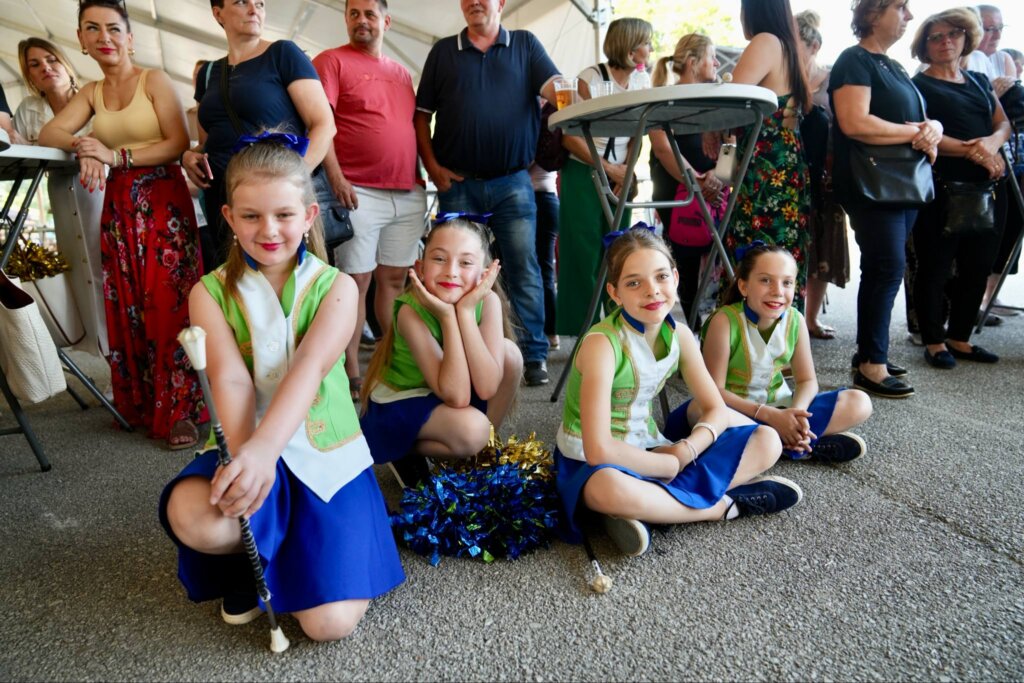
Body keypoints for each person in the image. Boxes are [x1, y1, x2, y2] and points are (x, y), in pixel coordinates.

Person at [159, 134, 404, 641]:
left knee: (329, 625)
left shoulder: (337, 287)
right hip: (247, 439)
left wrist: (265, 453)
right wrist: (243, 462)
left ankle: (301, 554)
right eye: (251, 216)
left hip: (324, 453)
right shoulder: (207, 292)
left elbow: (308, 369)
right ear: (228, 217)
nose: (268, 230)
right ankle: (252, 562)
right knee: (197, 518)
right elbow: (230, 379)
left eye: (284, 215)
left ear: (309, 216)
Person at [554, 226, 803, 557]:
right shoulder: (603, 343)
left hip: (653, 447)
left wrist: (686, 450)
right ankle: (721, 506)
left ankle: (652, 510)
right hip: (594, 460)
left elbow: (715, 408)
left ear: (675, 277)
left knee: (768, 440)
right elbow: (598, 449)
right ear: (614, 293)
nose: (652, 291)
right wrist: (667, 466)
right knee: (608, 489)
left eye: (661, 277)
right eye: (634, 283)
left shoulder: (681, 335)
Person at [39, 0, 206, 448]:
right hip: (119, 207)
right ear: (81, 39)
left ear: (130, 38)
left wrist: (116, 155)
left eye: (113, 28)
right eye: (92, 28)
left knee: (170, 304)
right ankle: (144, 402)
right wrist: (86, 146)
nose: (104, 37)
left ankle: (182, 411)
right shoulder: (91, 92)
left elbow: (178, 142)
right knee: (128, 303)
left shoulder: (154, 80)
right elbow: (48, 133)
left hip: (163, 201)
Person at [414, 0, 561, 387]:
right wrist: (432, 168)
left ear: (501, 3)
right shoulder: (443, 51)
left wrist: (575, 94)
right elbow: (420, 116)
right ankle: (457, 349)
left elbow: (557, 89)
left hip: (513, 182)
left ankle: (532, 355)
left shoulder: (525, 45)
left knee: (523, 268)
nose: (475, 2)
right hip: (457, 184)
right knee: (454, 271)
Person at [312, 0, 426, 400]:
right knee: (355, 282)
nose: (361, 20)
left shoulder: (402, 73)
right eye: (354, 13)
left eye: (370, 14)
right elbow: (320, 124)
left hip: (407, 190)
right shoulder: (331, 61)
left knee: (394, 281)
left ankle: (394, 362)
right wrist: (335, 177)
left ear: (386, 21)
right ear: (346, 19)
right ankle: (352, 370)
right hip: (357, 190)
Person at [829, 0, 942, 399]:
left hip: (899, 182)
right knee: (887, 266)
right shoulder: (854, 60)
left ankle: (870, 352)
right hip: (873, 182)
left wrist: (932, 126)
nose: (909, 16)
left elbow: (918, 119)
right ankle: (871, 365)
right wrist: (917, 132)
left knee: (884, 269)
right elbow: (855, 122)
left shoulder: (892, 65)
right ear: (874, 14)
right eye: (901, 7)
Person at [360, 216, 522, 488]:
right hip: (402, 402)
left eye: (465, 262)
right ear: (420, 268)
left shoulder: (488, 301)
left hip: (446, 392)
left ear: (485, 275)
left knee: (510, 355)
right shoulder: (411, 311)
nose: (451, 272)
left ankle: (475, 455)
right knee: (474, 429)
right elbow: (457, 397)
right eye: (439, 259)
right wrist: (448, 317)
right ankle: (404, 451)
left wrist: (466, 313)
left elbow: (487, 387)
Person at [180, 0, 335, 273]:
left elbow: (323, 124)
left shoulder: (283, 54)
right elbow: (208, 142)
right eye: (242, 2)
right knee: (237, 284)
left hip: (278, 201)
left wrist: (293, 179)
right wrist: (189, 157)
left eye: (260, 3)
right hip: (225, 202)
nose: (254, 9)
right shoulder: (208, 74)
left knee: (292, 283)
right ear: (218, 13)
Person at [700, 243, 872, 462]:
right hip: (738, 413)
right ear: (743, 286)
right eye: (765, 280)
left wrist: (796, 417)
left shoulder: (796, 319)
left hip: (782, 406)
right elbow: (714, 391)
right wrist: (770, 415)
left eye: (787, 282)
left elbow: (807, 381)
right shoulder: (724, 321)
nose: (778, 291)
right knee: (706, 417)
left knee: (859, 401)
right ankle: (802, 444)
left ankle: (785, 441)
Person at [909, 8, 1011, 369]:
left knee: (978, 265)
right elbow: (922, 133)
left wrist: (992, 144)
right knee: (935, 266)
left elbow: (1002, 124)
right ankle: (934, 341)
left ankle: (960, 338)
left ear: (966, 37)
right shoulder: (918, 86)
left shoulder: (980, 81)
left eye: (953, 34)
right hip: (941, 188)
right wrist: (976, 150)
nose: (945, 42)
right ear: (925, 46)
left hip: (988, 188)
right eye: (935, 37)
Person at [556, 17, 651, 338]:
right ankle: (583, 331)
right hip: (583, 171)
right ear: (630, 47)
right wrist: (609, 168)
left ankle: (619, 325)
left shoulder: (642, 81)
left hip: (622, 172)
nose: (651, 49)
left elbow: (640, 134)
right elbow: (570, 137)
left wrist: (626, 171)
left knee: (621, 249)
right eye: (646, 42)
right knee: (582, 251)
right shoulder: (590, 78)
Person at [713, 0, 811, 311]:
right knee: (781, 256)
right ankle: (781, 331)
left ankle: (744, 331)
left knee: (755, 255)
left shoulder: (765, 41)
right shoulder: (789, 48)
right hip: (786, 162)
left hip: (765, 166)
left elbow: (730, 103)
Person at [13, 38, 108, 358]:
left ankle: (118, 348)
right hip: (60, 190)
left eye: (51, 59)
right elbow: (21, 148)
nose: (45, 67)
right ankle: (97, 346)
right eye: (35, 64)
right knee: (79, 268)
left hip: (100, 186)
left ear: (66, 64)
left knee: (104, 265)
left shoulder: (95, 97)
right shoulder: (29, 109)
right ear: (29, 76)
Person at [648, 32, 727, 322]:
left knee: (719, 258)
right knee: (685, 265)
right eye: (712, 57)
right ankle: (692, 329)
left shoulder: (718, 100)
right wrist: (697, 180)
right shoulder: (664, 99)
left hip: (715, 193)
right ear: (693, 62)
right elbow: (663, 148)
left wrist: (718, 176)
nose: (717, 63)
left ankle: (715, 329)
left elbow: (731, 145)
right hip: (677, 195)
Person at [795, 10, 851, 340]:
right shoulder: (783, 80)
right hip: (791, 174)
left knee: (824, 245)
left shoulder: (833, 80)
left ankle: (811, 319)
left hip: (828, 174)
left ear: (813, 46)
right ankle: (790, 318)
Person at [530, 158, 560, 350]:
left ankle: (548, 331)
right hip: (547, 199)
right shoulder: (549, 141)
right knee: (544, 271)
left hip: (540, 199)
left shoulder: (538, 142)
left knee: (537, 272)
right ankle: (551, 332)